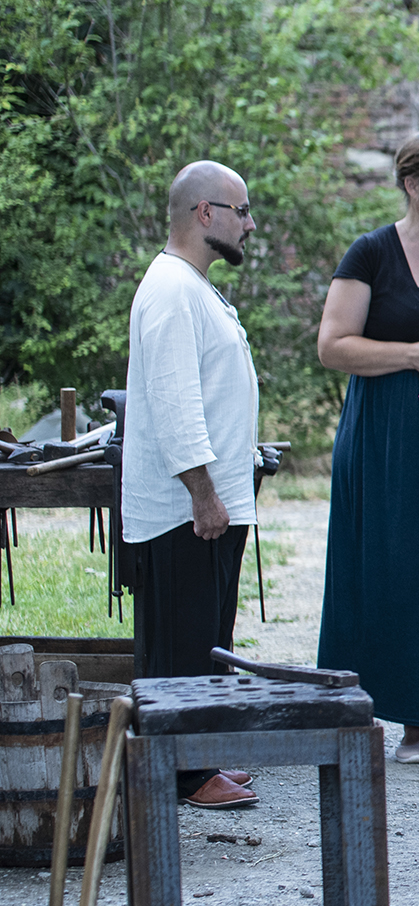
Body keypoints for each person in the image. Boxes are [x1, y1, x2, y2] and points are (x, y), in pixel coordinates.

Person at [316, 129, 419, 764]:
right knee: (395, 565)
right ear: (413, 185)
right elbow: (334, 346)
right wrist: (411, 354)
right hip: (385, 434)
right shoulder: (371, 254)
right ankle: (408, 720)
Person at [123, 161, 262, 809]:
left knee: (206, 641)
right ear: (204, 214)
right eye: (241, 210)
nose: (250, 223)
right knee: (179, 645)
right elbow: (175, 401)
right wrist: (203, 493)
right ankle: (179, 774)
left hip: (212, 504)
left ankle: (198, 757)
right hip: (186, 509)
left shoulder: (195, 287)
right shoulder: (171, 288)